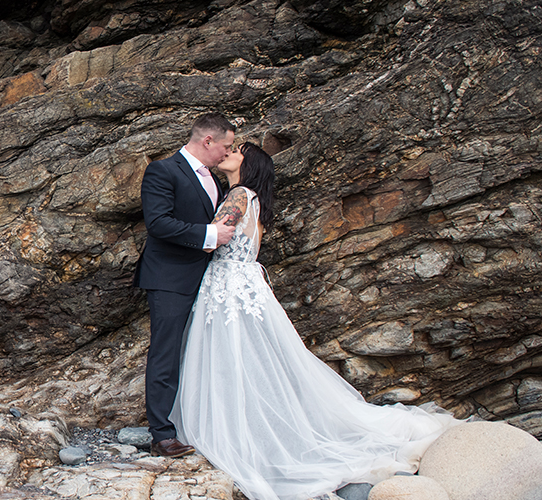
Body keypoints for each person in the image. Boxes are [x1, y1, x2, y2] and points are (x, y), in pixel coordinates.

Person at [171, 142, 460, 500]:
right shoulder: (254, 198)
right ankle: (254, 429)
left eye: (238, 150)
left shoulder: (238, 195)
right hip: (244, 284)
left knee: (232, 360)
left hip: (229, 287)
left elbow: (211, 239)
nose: (229, 151)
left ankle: (240, 433)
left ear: (251, 163)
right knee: (253, 362)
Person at [133, 113, 238, 458]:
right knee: (166, 353)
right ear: (208, 141)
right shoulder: (163, 170)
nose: (227, 153)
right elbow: (159, 223)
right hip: (169, 277)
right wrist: (210, 234)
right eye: (226, 146)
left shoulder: (215, 179)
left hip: (207, 278)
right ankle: (161, 434)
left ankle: (201, 422)